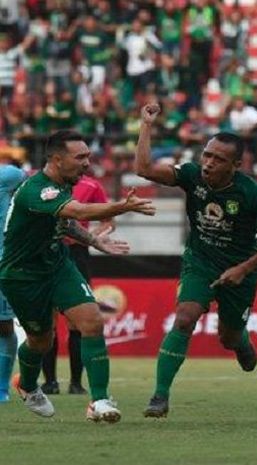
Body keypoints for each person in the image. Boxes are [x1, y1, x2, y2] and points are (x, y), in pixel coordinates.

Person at [135, 104, 257, 418]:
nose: (208, 163)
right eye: (207, 154)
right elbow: (144, 170)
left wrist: (244, 268)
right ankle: (159, 397)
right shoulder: (192, 175)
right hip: (200, 261)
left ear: (235, 165)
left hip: (239, 270)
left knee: (228, 337)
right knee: (184, 317)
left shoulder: (253, 194)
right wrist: (145, 125)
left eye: (218, 159)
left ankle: (240, 340)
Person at [0, 129, 156, 421]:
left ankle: (99, 401)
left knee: (92, 321)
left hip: (58, 265)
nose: (87, 162)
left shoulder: (64, 182)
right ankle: (28, 385)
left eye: (88, 155)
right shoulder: (38, 190)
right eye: (80, 157)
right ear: (57, 160)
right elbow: (80, 212)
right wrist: (122, 206)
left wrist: (94, 241)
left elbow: (66, 223)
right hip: (22, 276)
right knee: (40, 340)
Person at [40, 175, 113, 396]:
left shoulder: (92, 186)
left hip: (77, 253)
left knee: (77, 320)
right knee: (48, 318)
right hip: (46, 252)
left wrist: (90, 237)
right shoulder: (41, 185)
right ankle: (50, 382)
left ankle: (76, 383)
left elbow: (108, 221)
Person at [0, 161, 26, 403]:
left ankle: (1, 389)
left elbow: (25, 179)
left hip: (2, 261)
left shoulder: (7, 175)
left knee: (4, 326)